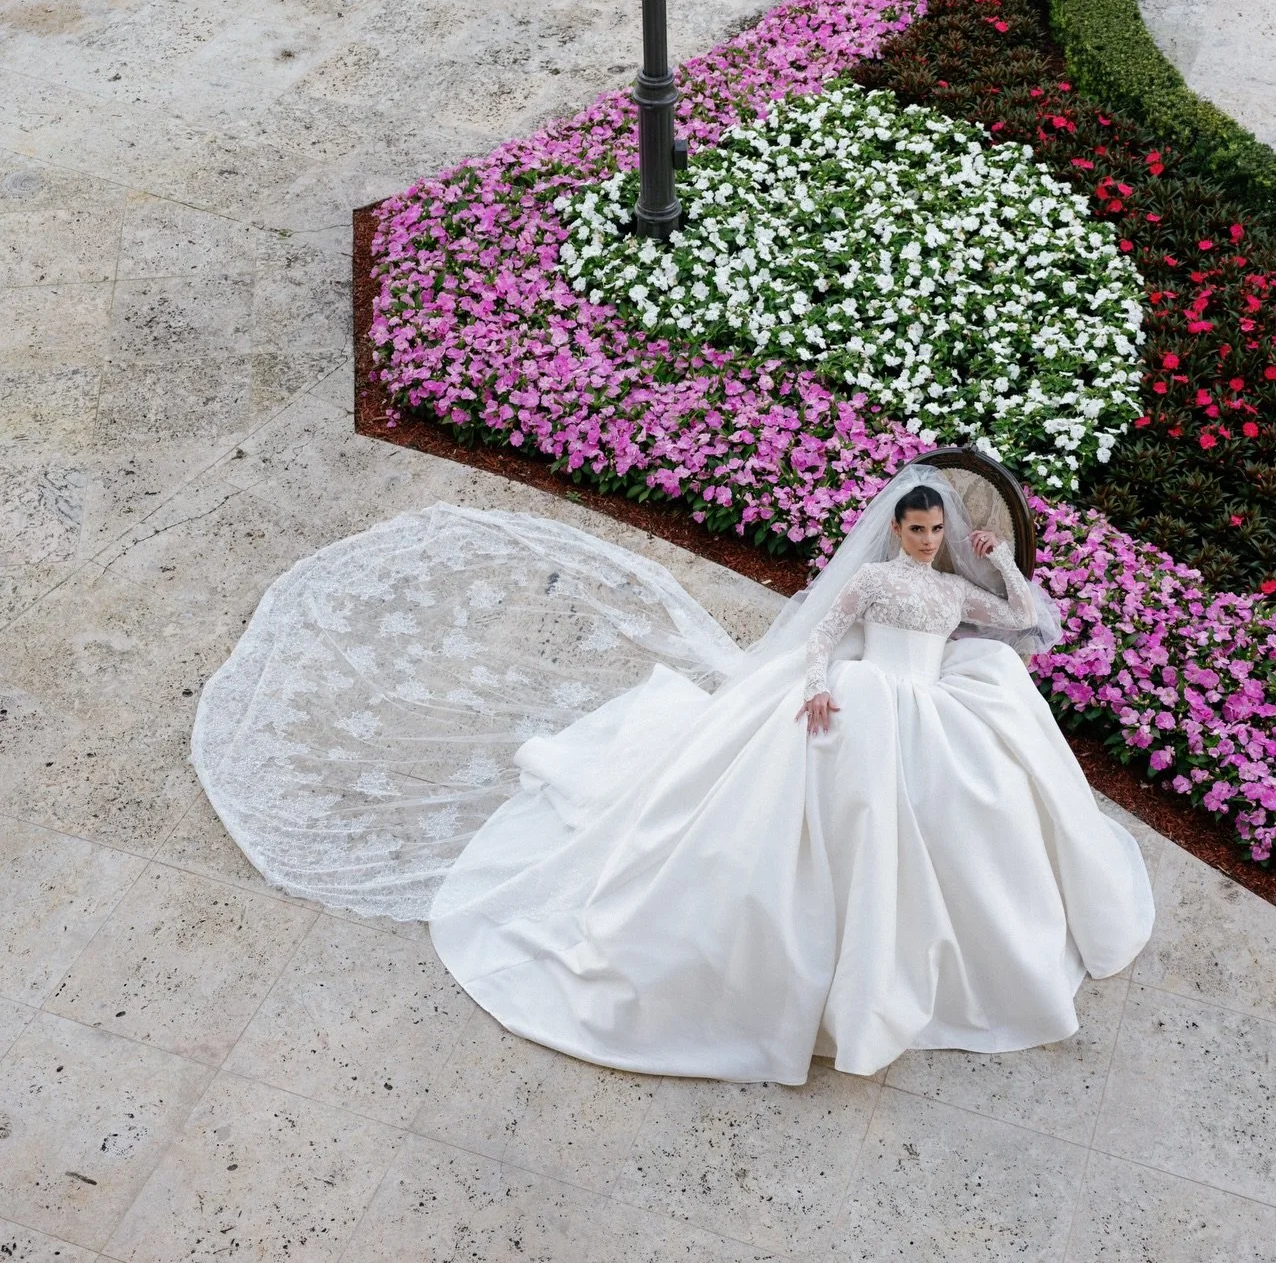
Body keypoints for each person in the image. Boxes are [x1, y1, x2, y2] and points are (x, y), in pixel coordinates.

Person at [193, 465, 1153, 1086]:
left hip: (925, 710)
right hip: (859, 699)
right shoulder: (873, 581)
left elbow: (1029, 629)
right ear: (893, 530)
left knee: (938, 813)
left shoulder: (952, 588)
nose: (919, 540)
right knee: (814, 813)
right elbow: (826, 633)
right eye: (910, 528)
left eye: (931, 532)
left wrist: (998, 565)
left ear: (941, 538)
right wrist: (818, 685)